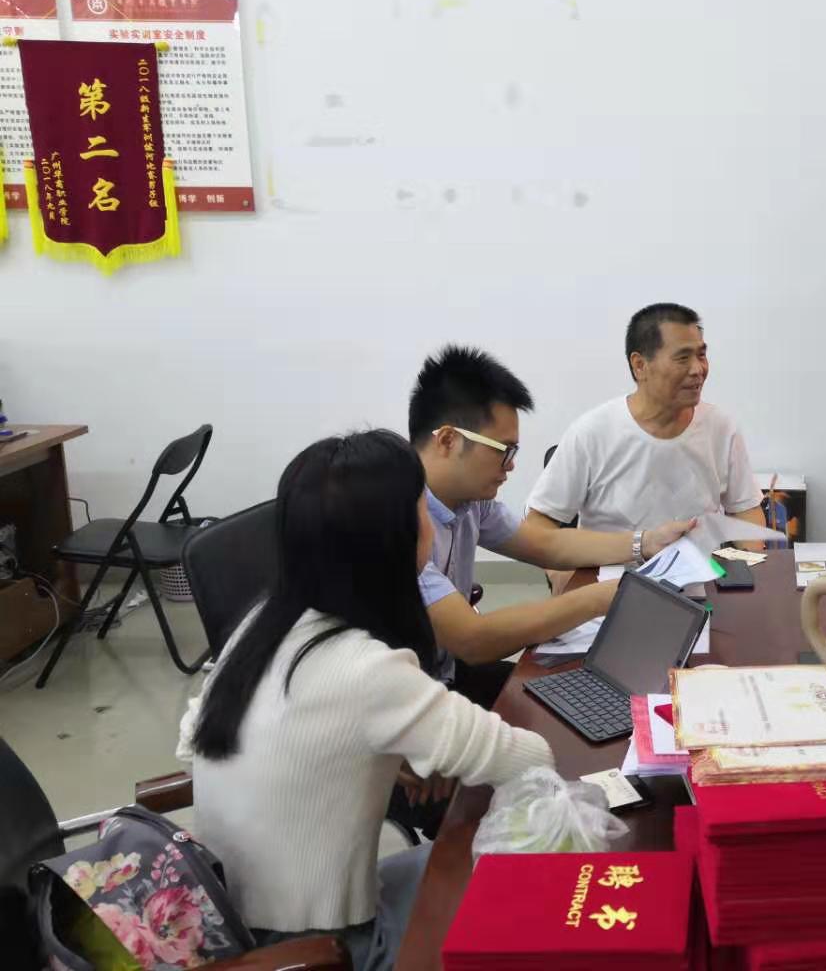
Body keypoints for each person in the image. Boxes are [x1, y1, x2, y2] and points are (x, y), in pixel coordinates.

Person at [179, 430, 556, 971]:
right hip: (323, 949)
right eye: (421, 507)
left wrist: (377, 753)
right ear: (396, 538)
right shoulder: (368, 669)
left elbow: (192, 740)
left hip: (233, 919)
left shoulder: (263, 623)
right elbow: (529, 761)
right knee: (535, 883)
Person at [408, 345, 692, 704]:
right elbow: (473, 640)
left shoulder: (471, 503)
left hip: (446, 672)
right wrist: (599, 598)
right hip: (410, 701)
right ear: (448, 440)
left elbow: (546, 544)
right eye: (503, 451)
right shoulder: (394, 519)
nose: (511, 465)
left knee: (575, 696)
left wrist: (645, 542)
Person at [526, 302, 766, 534]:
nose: (698, 369)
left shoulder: (721, 427)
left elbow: (745, 511)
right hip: (615, 561)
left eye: (701, 355)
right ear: (640, 365)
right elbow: (540, 523)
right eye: (682, 358)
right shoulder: (591, 433)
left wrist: (750, 560)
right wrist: (573, 567)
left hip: (702, 561)